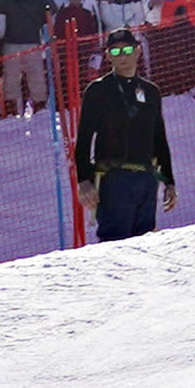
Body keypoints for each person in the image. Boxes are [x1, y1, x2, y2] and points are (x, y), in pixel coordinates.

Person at [70, 33, 177, 240]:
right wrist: (83, 180)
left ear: (138, 51)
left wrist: (169, 181)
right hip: (114, 179)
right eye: (116, 51)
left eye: (127, 50)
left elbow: (159, 138)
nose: (123, 56)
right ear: (108, 56)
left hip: (147, 178)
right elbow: (84, 139)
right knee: (116, 245)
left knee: (146, 243)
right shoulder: (98, 90)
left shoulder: (150, 91)